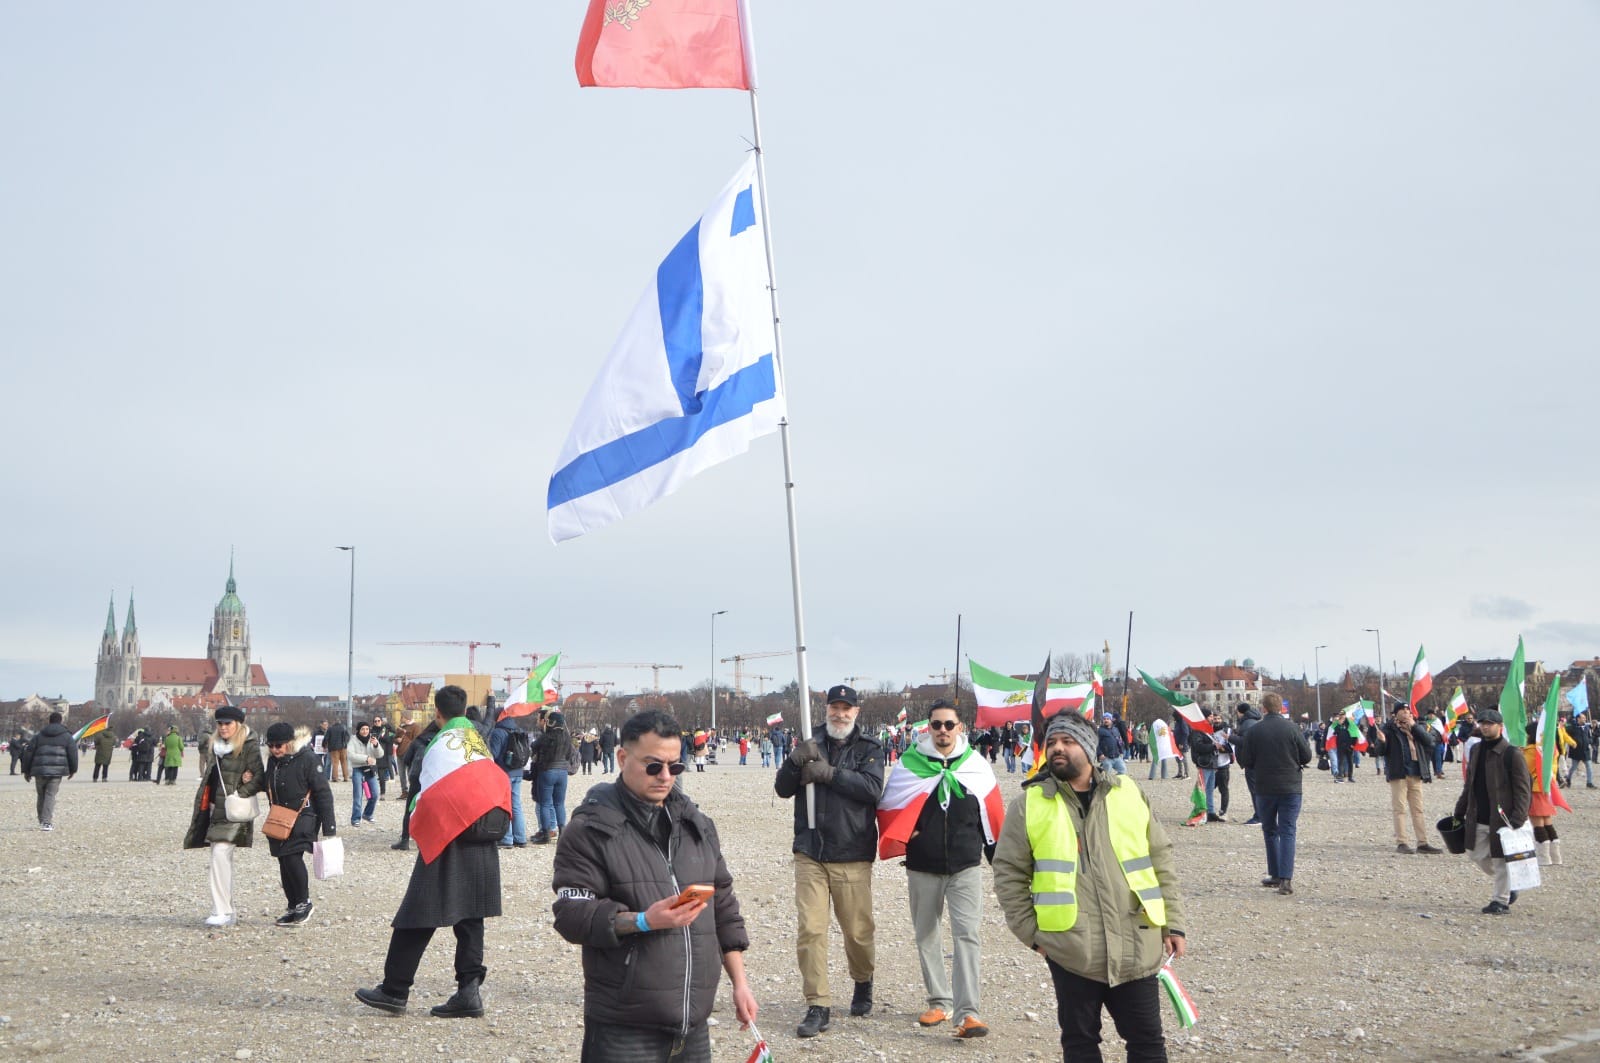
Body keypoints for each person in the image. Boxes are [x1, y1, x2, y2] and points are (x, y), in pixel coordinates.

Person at [552, 709, 758, 1061]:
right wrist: (644, 920)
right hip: (624, 1027)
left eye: (674, 766)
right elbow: (571, 914)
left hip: (693, 1025)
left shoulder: (697, 825)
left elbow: (723, 907)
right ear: (622, 758)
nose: (665, 776)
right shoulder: (589, 830)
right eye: (653, 766)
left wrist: (740, 984)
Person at [993, 710, 1187, 1063]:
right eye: (1052, 742)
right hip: (1071, 949)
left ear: (1088, 747)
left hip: (1137, 943)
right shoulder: (1029, 804)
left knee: (1147, 1043)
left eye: (1067, 741)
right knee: (1080, 1045)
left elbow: (1161, 859)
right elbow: (1008, 872)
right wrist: (1032, 934)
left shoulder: (1128, 792)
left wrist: (1173, 923)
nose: (1057, 748)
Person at [356, 685, 509, 1018]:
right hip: (483, 837)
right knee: (471, 917)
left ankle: (394, 989)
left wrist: (416, 826)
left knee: (418, 912)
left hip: (450, 836)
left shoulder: (441, 744)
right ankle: (469, 992)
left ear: (437, 713)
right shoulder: (477, 740)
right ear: (463, 709)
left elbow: (424, 793)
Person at [878, 699, 999, 1039]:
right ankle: (939, 1001)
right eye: (936, 724)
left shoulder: (975, 765)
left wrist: (997, 860)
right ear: (928, 727)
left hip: (965, 865)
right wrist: (910, 835)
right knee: (927, 933)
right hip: (923, 865)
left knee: (967, 935)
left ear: (960, 727)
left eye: (949, 724)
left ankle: (968, 1012)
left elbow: (991, 812)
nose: (942, 730)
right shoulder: (910, 764)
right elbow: (889, 805)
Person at [774, 683, 885, 1038]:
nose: (839, 714)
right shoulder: (810, 742)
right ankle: (817, 1004)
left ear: (856, 712)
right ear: (826, 710)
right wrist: (795, 761)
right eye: (834, 707)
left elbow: (872, 789)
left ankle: (863, 980)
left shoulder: (870, 748)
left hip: (852, 851)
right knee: (811, 929)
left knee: (857, 932)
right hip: (811, 850)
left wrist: (830, 774)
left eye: (846, 708)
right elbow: (782, 788)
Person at [183, 706, 264, 927]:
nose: (223, 727)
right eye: (220, 723)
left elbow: (259, 777)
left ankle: (222, 910)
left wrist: (240, 793)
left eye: (228, 723)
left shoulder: (248, 745)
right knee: (219, 856)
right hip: (214, 808)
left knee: (220, 853)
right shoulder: (215, 746)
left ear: (238, 724)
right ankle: (226, 909)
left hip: (234, 809)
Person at [1452, 709, 1531, 914]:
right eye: (1482, 723)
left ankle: (1500, 901)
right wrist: (1460, 809)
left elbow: (1523, 789)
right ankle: (1509, 883)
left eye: (1490, 723)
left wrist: (1518, 817)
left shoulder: (1512, 753)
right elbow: (1469, 784)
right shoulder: (1476, 749)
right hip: (1478, 815)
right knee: (1475, 853)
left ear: (1500, 726)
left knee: (1500, 858)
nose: (1485, 726)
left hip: (1503, 818)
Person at [1234, 692, 1312, 896]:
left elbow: (1246, 760)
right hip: (1290, 786)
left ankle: (1276, 873)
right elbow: (1307, 756)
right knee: (1288, 831)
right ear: (1281, 708)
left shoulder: (1255, 730)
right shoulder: (1292, 728)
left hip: (1265, 787)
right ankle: (1285, 879)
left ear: (1264, 709)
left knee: (1269, 830)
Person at [260, 722, 337, 927]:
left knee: (292, 858)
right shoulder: (273, 762)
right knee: (283, 860)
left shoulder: (308, 759)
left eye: (279, 745)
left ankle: (304, 902)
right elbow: (266, 784)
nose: (275, 749)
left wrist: (329, 827)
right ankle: (293, 905)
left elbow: (323, 792)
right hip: (280, 818)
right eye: (271, 745)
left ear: (290, 742)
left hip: (305, 816)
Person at [1367, 706, 1442, 855]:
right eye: (1402, 711)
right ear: (1395, 714)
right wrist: (1382, 741)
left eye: (1408, 711)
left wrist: (1414, 726)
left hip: (1416, 773)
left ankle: (1422, 843)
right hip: (1399, 773)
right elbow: (1379, 752)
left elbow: (1430, 741)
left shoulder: (1418, 727)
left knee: (1418, 810)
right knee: (1400, 809)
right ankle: (1402, 842)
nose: (1406, 713)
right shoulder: (1388, 729)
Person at [22, 712, 77, 830]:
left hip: (40, 769)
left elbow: (29, 752)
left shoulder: (38, 735)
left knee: (41, 795)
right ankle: (46, 822)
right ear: (61, 721)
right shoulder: (67, 736)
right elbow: (72, 753)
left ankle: (42, 820)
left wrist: (26, 771)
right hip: (57, 770)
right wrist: (73, 769)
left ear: (49, 721)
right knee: (50, 795)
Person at [393, 718, 440, 852]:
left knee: (410, 808)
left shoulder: (419, 740)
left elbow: (407, 759)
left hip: (417, 776)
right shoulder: (442, 740)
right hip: (433, 778)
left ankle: (405, 840)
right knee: (432, 810)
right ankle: (427, 841)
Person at [489, 712, 530, 848]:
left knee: (505, 805)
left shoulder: (498, 732)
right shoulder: (518, 730)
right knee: (516, 805)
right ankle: (520, 838)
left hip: (504, 773)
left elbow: (493, 754)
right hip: (518, 771)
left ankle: (507, 839)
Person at [532, 711, 572, 845]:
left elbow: (533, 747)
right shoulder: (566, 737)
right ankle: (562, 832)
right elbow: (570, 754)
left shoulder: (546, 737)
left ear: (550, 723)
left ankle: (546, 834)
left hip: (548, 771)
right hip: (563, 773)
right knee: (559, 804)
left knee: (545, 803)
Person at [1234, 700, 1262, 823]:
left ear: (1240, 712)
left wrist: (1230, 738)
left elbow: (1245, 741)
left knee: (1255, 790)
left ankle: (1259, 816)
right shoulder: (1253, 720)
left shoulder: (1247, 723)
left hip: (1251, 762)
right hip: (1256, 760)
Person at [348, 722, 381, 826]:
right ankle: (355, 818)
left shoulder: (372, 739)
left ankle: (367, 814)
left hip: (370, 769)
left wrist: (376, 745)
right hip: (358, 769)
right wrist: (366, 758)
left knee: (375, 793)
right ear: (358, 730)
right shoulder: (353, 740)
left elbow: (380, 754)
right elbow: (350, 755)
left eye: (367, 729)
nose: (365, 731)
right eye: (363, 729)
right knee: (358, 795)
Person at [1564, 711, 1594, 789]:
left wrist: (1589, 741)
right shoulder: (1572, 728)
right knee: (1573, 767)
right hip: (1576, 751)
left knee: (1589, 766)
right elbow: (1565, 734)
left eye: (1585, 718)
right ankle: (1568, 779)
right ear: (1578, 719)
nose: (1585, 719)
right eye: (1583, 718)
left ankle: (1589, 782)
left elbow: (1590, 737)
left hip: (1585, 751)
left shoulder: (1587, 727)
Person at [326, 718, 350, 783]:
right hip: (343, 747)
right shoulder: (343, 728)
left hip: (333, 748)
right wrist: (345, 743)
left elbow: (326, 738)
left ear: (334, 722)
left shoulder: (330, 729)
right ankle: (346, 777)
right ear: (340, 722)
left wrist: (324, 745)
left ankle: (335, 778)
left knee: (335, 763)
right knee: (344, 762)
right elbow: (348, 737)